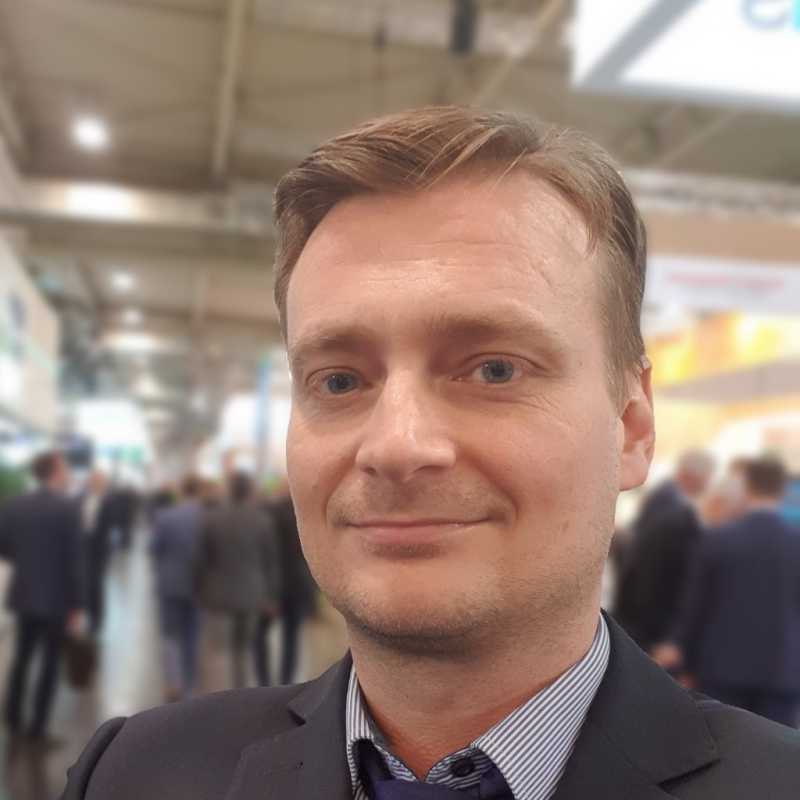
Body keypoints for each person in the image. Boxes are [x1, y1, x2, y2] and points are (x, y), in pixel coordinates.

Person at [62, 107, 800, 799]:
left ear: (632, 426)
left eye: (495, 370)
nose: (396, 445)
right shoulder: (133, 775)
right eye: (339, 379)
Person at [680, 456, 800, 727]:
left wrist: (687, 664)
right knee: (778, 749)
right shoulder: (796, 544)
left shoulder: (718, 539)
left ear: (746, 487)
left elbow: (697, 607)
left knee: (723, 746)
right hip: (782, 671)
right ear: (781, 489)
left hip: (722, 670)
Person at [0, 451, 82, 743]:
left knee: (21, 658)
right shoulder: (68, 508)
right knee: (49, 663)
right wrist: (77, 605)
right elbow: (74, 560)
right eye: (65, 469)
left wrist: (27, 562)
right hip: (57, 598)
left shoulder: (15, 505)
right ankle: (37, 728)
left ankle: (13, 719)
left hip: (24, 593)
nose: (67, 474)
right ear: (54, 472)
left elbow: (3, 547)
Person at [613, 449, 714, 653]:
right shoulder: (675, 511)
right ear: (696, 477)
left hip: (639, 612)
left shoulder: (665, 499)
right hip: (649, 618)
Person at [195, 472, 279, 689]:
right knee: (244, 649)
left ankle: (220, 695)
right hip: (252, 594)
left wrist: (200, 590)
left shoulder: (211, 519)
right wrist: (271, 597)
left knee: (220, 649)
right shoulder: (262, 521)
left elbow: (202, 558)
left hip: (218, 595)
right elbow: (270, 562)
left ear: (229, 490)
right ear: (248, 491)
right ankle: (241, 691)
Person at [150, 475, 203, 703]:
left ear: (181, 491)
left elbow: (153, 548)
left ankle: (174, 683)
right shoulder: (207, 517)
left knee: (171, 633)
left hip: (169, 583)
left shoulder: (164, 516)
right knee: (192, 634)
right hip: (198, 585)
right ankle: (189, 685)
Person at [260, 484, 318, 685]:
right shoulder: (305, 520)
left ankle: (264, 679)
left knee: (260, 635)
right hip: (297, 585)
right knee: (291, 637)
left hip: (272, 586)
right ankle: (286, 680)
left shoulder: (268, 516)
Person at [79, 470, 116, 636]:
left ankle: (96, 621)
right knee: (82, 584)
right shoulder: (80, 499)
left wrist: (108, 553)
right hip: (82, 547)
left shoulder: (109, 501)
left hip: (99, 550)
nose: (95, 483)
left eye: (98, 481)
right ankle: (83, 615)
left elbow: (112, 528)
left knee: (96, 586)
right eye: (93, 480)